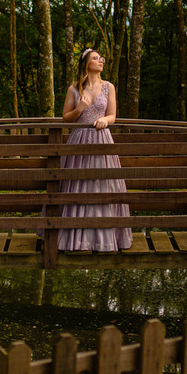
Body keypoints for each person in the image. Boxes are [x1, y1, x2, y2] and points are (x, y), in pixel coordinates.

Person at [55, 48, 133, 252]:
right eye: (96, 58)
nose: (101, 61)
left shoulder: (109, 87)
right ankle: (75, 238)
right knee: (78, 185)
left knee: (102, 185)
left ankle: (104, 238)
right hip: (79, 141)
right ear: (86, 63)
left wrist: (104, 120)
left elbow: (113, 115)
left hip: (102, 140)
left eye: (102, 58)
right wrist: (79, 109)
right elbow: (66, 118)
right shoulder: (74, 88)